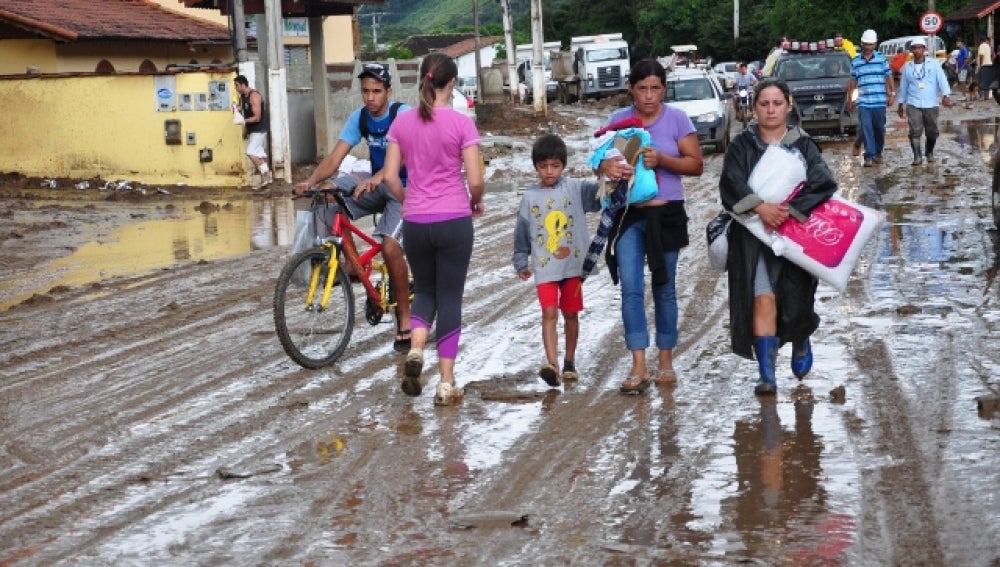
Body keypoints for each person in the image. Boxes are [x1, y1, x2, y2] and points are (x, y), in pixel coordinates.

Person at [718, 78, 839, 395]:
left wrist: (788, 211)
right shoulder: (741, 146)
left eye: (776, 103)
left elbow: (823, 183)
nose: (770, 109)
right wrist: (760, 208)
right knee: (762, 297)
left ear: (788, 106)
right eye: (764, 103)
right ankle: (767, 375)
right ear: (754, 108)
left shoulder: (804, 145)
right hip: (754, 236)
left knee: (796, 299)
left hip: (797, 235)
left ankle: (800, 337)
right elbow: (730, 184)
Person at [595, 58, 704, 395]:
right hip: (629, 216)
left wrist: (664, 160)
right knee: (630, 287)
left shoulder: (677, 119)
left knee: (664, 287)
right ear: (631, 89)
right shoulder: (618, 121)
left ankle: (666, 360)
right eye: (642, 88)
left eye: (655, 88)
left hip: (667, 213)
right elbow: (598, 160)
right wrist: (607, 169)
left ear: (663, 89)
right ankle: (639, 364)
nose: (649, 96)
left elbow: (696, 164)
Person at [382, 52, 484, 406]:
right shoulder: (461, 124)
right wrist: (475, 200)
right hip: (453, 219)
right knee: (450, 297)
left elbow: (391, 177)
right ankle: (445, 382)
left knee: (424, 292)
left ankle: (417, 349)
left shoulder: (402, 123)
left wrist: (408, 199)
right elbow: (475, 180)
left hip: (415, 222)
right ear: (451, 83)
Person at [294, 62, 412, 352]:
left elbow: (407, 156)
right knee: (328, 197)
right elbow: (334, 159)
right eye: (365, 91)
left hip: (406, 190)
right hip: (375, 184)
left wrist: (376, 177)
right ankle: (352, 265)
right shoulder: (359, 118)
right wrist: (309, 182)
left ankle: (406, 321)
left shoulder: (403, 115)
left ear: (388, 92)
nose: (370, 97)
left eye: (376, 91)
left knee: (390, 248)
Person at [512, 134, 601, 387]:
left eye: (555, 166)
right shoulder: (529, 198)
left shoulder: (576, 188)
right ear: (535, 167)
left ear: (563, 165)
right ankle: (552, 364)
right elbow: (521, 233)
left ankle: (569, 362)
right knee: (548, 312)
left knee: (570, 314)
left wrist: (608, 172)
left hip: (573, 267)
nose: (549, 172)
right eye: (543, 166)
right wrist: (521, 261)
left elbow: (601, 196)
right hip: (544, 267)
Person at [897, 37, 952, 165]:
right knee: (915, 131)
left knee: (932, 131)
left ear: (924, 49)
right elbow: (903, 86)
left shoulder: (934, 64)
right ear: (911, 50)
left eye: (920, 48)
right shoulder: (907, 67)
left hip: (931, 103)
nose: (917, 51)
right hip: (913, 103)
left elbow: (942, 80)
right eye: (914, 48)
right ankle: (917, 157)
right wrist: (900, 104)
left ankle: (929, 153)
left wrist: (946, 95)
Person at [846, 29, 895, 167]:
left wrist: (892, 93)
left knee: (879, 129)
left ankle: (878, 152)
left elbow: (889, 75)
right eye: (866, 44)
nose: (869, 47)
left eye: (871, 45)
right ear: (862, 44)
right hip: (864, 103)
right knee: (866, 128)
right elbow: (852, 82)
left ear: (875, 45)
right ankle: (869, 156)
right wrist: (850, 99)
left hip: (879, 101)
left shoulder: (881, 58)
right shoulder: (856, 61)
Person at [233, 75, 271, 186]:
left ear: (243, 85)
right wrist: (236, 110)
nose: (235, 88)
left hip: (259, 129)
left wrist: (244, 121)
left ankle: (266, 176)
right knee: (257, 155)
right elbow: (244, 110)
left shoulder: (254, 96)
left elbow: (257, 117)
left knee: (250, 152)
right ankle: (267, 179)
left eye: (237, 85)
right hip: (252, 130)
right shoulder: (243, 97)